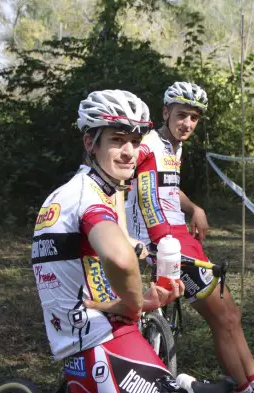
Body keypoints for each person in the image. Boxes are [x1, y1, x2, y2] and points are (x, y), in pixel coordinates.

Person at [31, 89, 190, 393]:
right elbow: (120, 258)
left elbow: (86, 280)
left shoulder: (81, 191)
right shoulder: (86, 199)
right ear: (90, 143)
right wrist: (136, 304)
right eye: (117, 140)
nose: (130, 151)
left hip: (90, 331)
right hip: (99, 339)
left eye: (135, 141)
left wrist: (136, 301)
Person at [125, 82, 254, 393]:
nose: (188, 124)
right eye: (182, 116)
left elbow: (167, 186)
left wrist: (194, 207)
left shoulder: (172, 147)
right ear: (165, 112)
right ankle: (250, 389)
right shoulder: (148, 144)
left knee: (229, 315)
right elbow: (119, 163)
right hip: (165, 242)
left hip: (179, 234)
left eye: (194, 118)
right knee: (226, 316)